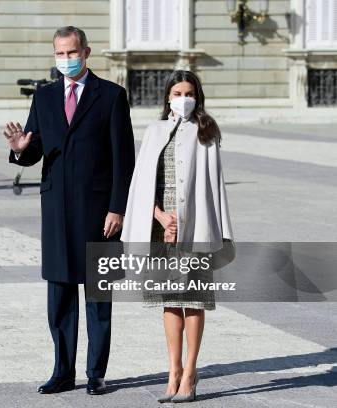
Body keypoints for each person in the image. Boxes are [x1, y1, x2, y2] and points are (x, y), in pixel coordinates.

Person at [3, 26, 135, 395]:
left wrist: (117, 208)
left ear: (86, 52)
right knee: (60, 294)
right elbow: (33, 150)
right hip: (57, 209)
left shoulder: (111, 96)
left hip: (99, 212)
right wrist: (19, 148)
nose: (66, 60)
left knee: (98, 294)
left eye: (71, 52)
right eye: (59, 54)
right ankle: (63, 371)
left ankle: (96, 373)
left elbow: (124, 160)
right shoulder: (44, 98)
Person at [120, 70, 234, 403]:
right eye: (177, 92)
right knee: (169, 300)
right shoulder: (154, 131)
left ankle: (191, 372)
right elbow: (142, 184)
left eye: (188, 92)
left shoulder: (206, 132)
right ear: (167, 97)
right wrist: (160, 216)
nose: (183, 98)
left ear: (197, 96)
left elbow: (214, 188)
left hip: (195, 226)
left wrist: (192, 223)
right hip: (160, 226)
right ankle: (173, 370)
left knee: (193, 300)